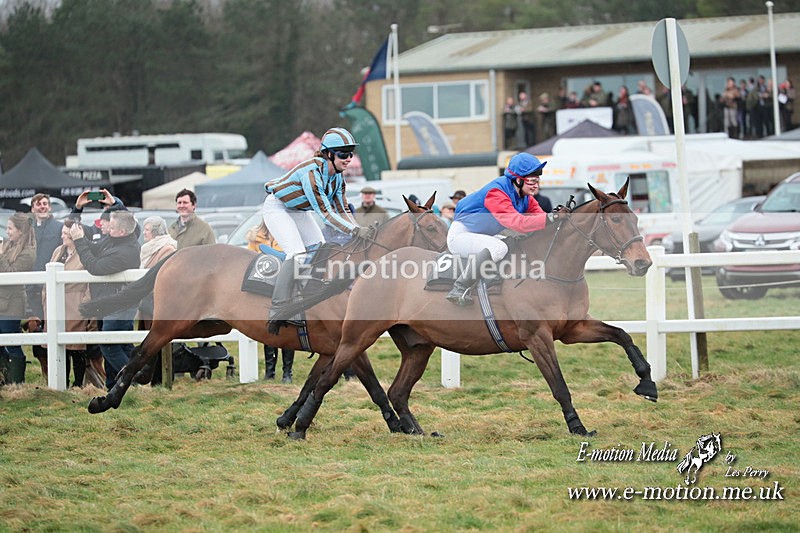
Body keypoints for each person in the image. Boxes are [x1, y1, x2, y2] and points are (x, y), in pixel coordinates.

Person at [262, 127, 367, 326]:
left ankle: (305, 295)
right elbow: (326, 214)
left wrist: (358, 228)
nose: (348, 159)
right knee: (297, 254)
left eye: (350, 154)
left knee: (320, 247)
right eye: (343, 154)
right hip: (277, 208)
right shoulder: (312, 173)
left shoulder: (337, 177)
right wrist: (354, 230)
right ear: (328, 154)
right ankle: (278, 308)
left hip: (298, 210)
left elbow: (342, 208)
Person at [446, 153, 561, 306]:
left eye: (537, 180)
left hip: (481, 235)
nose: (536, 185)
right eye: (532, 181)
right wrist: (549, 218)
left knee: (513, 244)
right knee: (499, 248)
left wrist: (559, 218)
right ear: (518, 180)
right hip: (461, 235)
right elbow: (518, 223)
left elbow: (541, 218)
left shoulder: (525, 197)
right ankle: (459, 288)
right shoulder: (496, 193)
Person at [71, 211, 141, 389]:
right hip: (109, 303)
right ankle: (116, 386)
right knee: (122, 345)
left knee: (109, 345)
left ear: (122, 232)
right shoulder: (114, 240)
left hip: (120, 305)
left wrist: (78, 241)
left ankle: (133, 381)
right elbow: (94, 248)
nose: (108, 228)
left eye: (112, 226)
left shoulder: (126, 252)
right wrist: (81, 237)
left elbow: (95, 267)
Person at [30, 223, 103, 388]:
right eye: (62, 232)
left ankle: (78, 384)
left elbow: (90, 282)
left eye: (65, 233)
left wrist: (85, 304)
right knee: (58, 344)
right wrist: (45, 297)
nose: (62, 236)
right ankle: (62, 383)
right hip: (55, 303)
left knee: (76, 346)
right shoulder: (58, 251)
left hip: (75, 301)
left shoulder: (85, 252)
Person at [245, 221, 295, 383]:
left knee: (286, 327)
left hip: (286, 288)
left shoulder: (290, 237)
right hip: (264, 287)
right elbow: (249, 262)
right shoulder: (255, 238)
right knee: (269, 329)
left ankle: (287, 372)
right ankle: (269, 372)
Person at [24, 193, 64, 373]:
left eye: (45, 204)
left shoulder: (58, 228)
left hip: (50, 288)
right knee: (35, 332)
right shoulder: (28, 229)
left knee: (52, 329)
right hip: (31, 289)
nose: (42, 207)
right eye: (38, 204)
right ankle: (46, 374)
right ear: (33, 208)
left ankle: (59, 373)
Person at [0, 213, 36, 385]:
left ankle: (17, 383)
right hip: (2, 301)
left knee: (12, 343)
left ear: (21, 231)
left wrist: (0, 255)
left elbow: (11, 274)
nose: (7, 231)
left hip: (12, 304)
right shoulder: (8, 245)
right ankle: (5, 379)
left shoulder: (28, 252)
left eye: (10, 228)